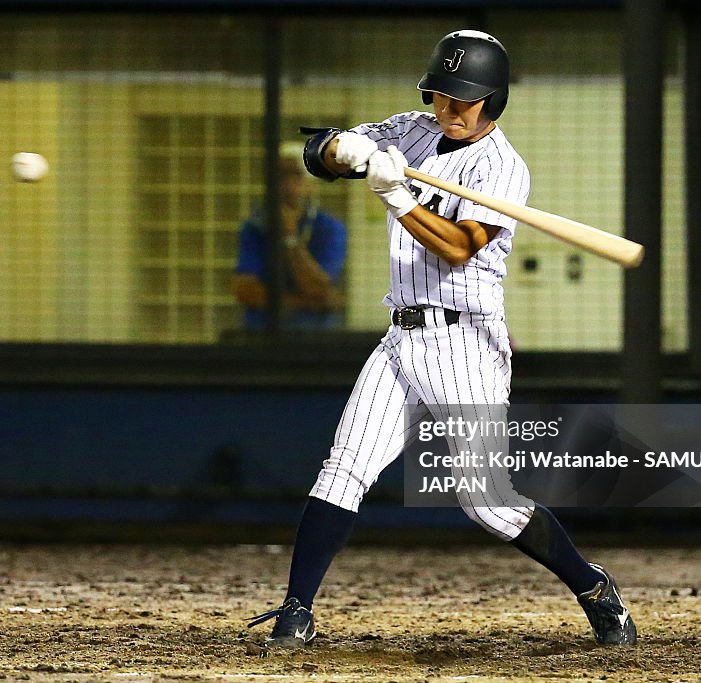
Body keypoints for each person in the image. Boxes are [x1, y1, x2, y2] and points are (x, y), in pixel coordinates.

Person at [248, 30, 637, 648]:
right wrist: (342, 149)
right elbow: (318, 155)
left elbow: (457, 250)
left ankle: (592, 586)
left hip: (465, 345)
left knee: (487, 503)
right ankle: (296, 609)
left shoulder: (504, 168)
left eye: (465, 100)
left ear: (493, 102)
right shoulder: (413, 127)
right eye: (441, 95)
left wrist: (395, 194)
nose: (449, 110)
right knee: (341, 471)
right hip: (400, 335)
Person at [231, 150, 347, 330]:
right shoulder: (256, 227)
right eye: (282, 176)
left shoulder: (328, 227)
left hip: (315, 335)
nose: (288, 185)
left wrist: (290, 237)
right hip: (262, 332)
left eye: (297, 177)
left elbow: (318, 288)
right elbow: (245, 292)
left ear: (310, 184)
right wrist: (307, 302)